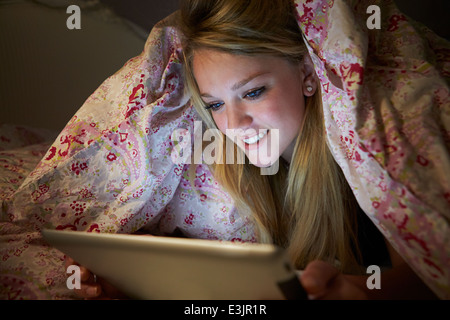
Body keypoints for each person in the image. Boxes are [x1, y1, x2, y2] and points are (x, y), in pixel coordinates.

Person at [68, 0, 447, 299]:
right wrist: (136, 279)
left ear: (307, 75)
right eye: (214, 104)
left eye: (252, 92)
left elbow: (431, 272)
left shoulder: (368, 150)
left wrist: (355, 293)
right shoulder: (229, 165)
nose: (232, 125)